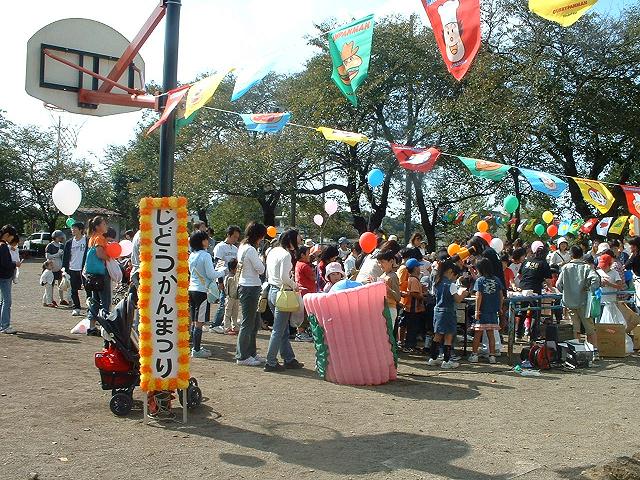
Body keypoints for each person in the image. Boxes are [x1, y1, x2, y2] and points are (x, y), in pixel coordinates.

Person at [264, 229, 304, 372]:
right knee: (278, 330)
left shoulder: (273, 251)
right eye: (298, 238)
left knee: (282, 329)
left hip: (272, 291)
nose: (299, 241)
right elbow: (284, 278)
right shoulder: (286, 255)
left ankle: (288, 358)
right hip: (282, 293)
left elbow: (269, 273)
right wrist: (295, 286)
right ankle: (271, 361)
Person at [557, 246, 601, 358]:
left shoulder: (565, 268)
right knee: (590, 328)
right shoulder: (586, 267)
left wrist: (566, 291)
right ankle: (594, 351)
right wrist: (590, 289)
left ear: (571, 255)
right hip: (584, 302)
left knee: (575, 328)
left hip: (570, 302)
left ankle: (576, 352)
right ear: (582, 255)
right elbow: (595, 279)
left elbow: (558, 284)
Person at [188, 231, 226, 358]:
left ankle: (195, 347)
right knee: (199, 322)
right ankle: (197, 349)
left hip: (192, 289)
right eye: (206, 239)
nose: (208, 241)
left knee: (194, 320)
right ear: (201, 241)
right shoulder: (205, 255)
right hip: (202, 291)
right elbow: (211, 274)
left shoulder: (192, 255)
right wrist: (223, 271)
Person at [236, 222, 268, 366]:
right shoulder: (251, 250)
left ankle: (251, 353)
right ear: (258, 236)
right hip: (250, 287)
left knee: (254, 323)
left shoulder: (242, 247)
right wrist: (262, 260)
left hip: (247, 286)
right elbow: (261, 269)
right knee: (248, 323)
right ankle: (242, 356)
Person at [428, 260, 468, 369]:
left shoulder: (437, 283)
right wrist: (463, 294)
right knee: (448, 336)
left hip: (437, 311)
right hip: (448, 312)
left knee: (437, 335)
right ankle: (446, 360)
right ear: (450, 271)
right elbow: (458, 299)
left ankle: (433, 358)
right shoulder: (451, 285)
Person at [469, 258, 503, 364]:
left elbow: (478, 295)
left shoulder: (480, 280)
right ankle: (492, 356)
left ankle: (474, 355)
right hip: (492, 311)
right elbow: (501, 295)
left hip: (482, 311)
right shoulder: (496, 279)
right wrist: (500, 307)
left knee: (477, 334)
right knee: (491, 335)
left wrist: (476, 311)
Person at [517, 240, 552, 338]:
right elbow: (549, 281)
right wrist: (552, 289)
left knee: (522, 311)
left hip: (523, 288)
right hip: (534, 290)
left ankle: (518, 333)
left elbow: (519, 276)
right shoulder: (543, 263)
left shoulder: (527, 261)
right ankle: (533, 335)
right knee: (536, 312)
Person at [211, 225, 242, 333]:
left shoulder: (235, 248)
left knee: (232, 303)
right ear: (228, 235)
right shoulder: (220, 247)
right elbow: (218, 263)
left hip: (233, 279)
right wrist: (219, 281)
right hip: (224, 278)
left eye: (237, 237)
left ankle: (226, 323)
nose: (235, 239)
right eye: (234, 237)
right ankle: (215, 324)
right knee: (224, 302)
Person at [84, 216, 112, 337]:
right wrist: (109, 257)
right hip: (101, 273)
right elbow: (100, 254)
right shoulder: (100, 238)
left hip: (92, 274)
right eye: (104, 224)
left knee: (94, 301)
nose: (106, 226)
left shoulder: (92, 238)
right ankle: (105, 328)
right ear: (98, 227)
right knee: (105, 300)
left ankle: (91, 326)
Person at [400, 258, 426, 352]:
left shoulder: (411, 278)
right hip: (413, 308)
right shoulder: (414, 279)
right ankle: (409, 345)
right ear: (415, 268)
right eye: (418, 266)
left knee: (412, 327)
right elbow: (414, 293)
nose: (419, 268)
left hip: (410, 308)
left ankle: (410, 345)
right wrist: (423, 297)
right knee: (412, 328)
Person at [62, 222, 88, 317]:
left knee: (88, 289)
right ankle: (76, 307)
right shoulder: (69, 242)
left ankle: (90, 308)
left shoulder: (87, 240)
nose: (72, 230)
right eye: (72, 228)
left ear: (81, 229)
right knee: (73, 290)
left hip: (84, 269)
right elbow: (65, 257)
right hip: (72, 268)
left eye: (75, 228)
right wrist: (65, 269)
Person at [0, 225, 18, 334]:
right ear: (7, 235)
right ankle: (5, 325)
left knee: (2, 301)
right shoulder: (3, 246)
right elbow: (6, 263)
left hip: (2, 276)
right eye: (11, 236)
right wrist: (15, 263)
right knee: (7, 301)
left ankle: (2, 324)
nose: (12, 239)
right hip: (4, 276)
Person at [377, 249, 401, 329]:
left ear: (391, 261)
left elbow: (398, 297)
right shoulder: (383, 275)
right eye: (379, 262)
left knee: (387, 336)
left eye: (382, 262)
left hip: (390, 309)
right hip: (382, 308)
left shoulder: (393, 276)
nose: (380, 265)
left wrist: (387, 288)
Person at [46, 230, 68, 306]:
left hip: (59, 267)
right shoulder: (50, 245)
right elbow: (48, 256)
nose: (60, 238)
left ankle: (61, 299)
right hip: (52, 268)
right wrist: (57, 254)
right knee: (50, 285)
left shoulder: (61, 245)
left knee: (61, 284)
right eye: (59, 237)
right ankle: (50, 299)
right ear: (55, 237)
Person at [222, 259, 240, 335]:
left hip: (236, 297)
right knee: (227, 313)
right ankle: (226, 328)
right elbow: (226, 288)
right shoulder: (228, 277)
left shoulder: (237, 276)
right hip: (229, 297)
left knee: (235, 313)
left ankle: (234, 326)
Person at [625, 237, 640, 310]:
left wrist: (631, 256)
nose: (629, 247)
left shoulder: (635, 257)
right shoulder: (635, 256)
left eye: (630, 245)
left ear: (635, 246)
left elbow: (626, 266)